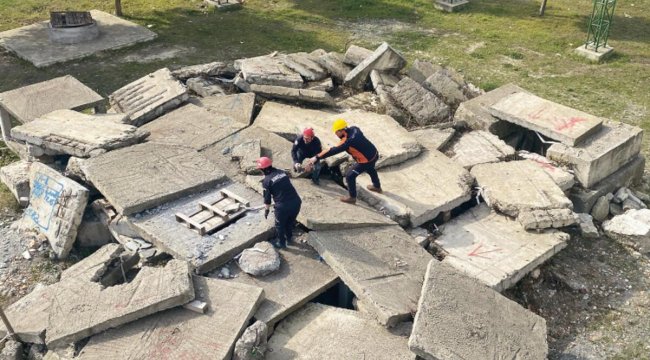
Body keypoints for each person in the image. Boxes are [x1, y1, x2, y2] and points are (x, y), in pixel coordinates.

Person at [308, 119, 382, 204]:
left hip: (366, 161)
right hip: (374, 154)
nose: (335, 134)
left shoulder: (348, 141)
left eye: (336, 132)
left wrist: (316, 157)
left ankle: (352, 198)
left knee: (350, 176)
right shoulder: (355, 129)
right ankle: (377, 186)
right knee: (371, 169)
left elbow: (332, 150)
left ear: (341, 130)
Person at [258, 156, 302, 248]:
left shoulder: (266, 181)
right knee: (290, 222)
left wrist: (266, 210)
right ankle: (289, 239)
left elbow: (267, 200)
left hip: (283, 207)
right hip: (296, 202)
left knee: (280, 225)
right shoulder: (282, 172)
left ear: (262, 169)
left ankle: (281, 243)